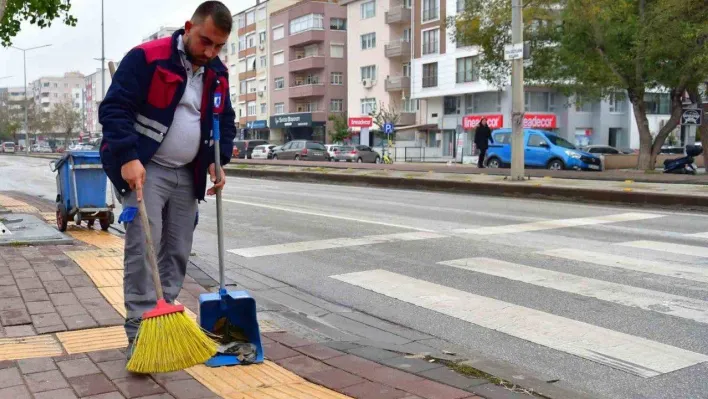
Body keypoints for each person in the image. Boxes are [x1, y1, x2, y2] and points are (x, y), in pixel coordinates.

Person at [97, 1, 236, 360]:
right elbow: (114, 110)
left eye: (218, 46)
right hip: (147, 168)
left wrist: (217, 162)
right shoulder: (147, 57)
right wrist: (128, 157)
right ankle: (140, 334)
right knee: (144, 249)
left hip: (187, 174)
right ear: (189, 26)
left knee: (176, 251)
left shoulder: (216, 72)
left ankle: (164, 323)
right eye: (206, 41)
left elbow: (226, 121)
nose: (210, 51)